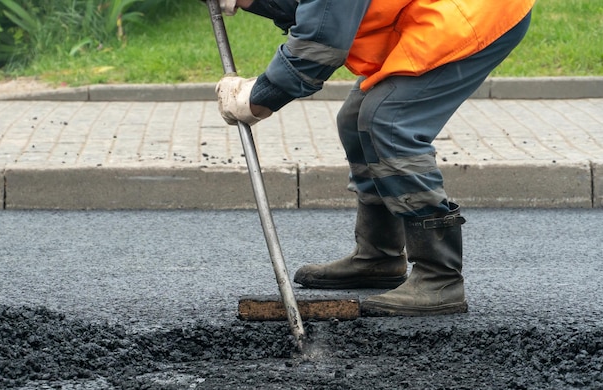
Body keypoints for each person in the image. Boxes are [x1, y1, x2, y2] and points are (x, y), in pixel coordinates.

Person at [215, 0, 535, 316]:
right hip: (424, 11)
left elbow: (321, 41)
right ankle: (379, 256)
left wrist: (258, 97)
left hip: (477, 10)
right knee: (356, 121)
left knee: (389, 122)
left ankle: (440, 278)